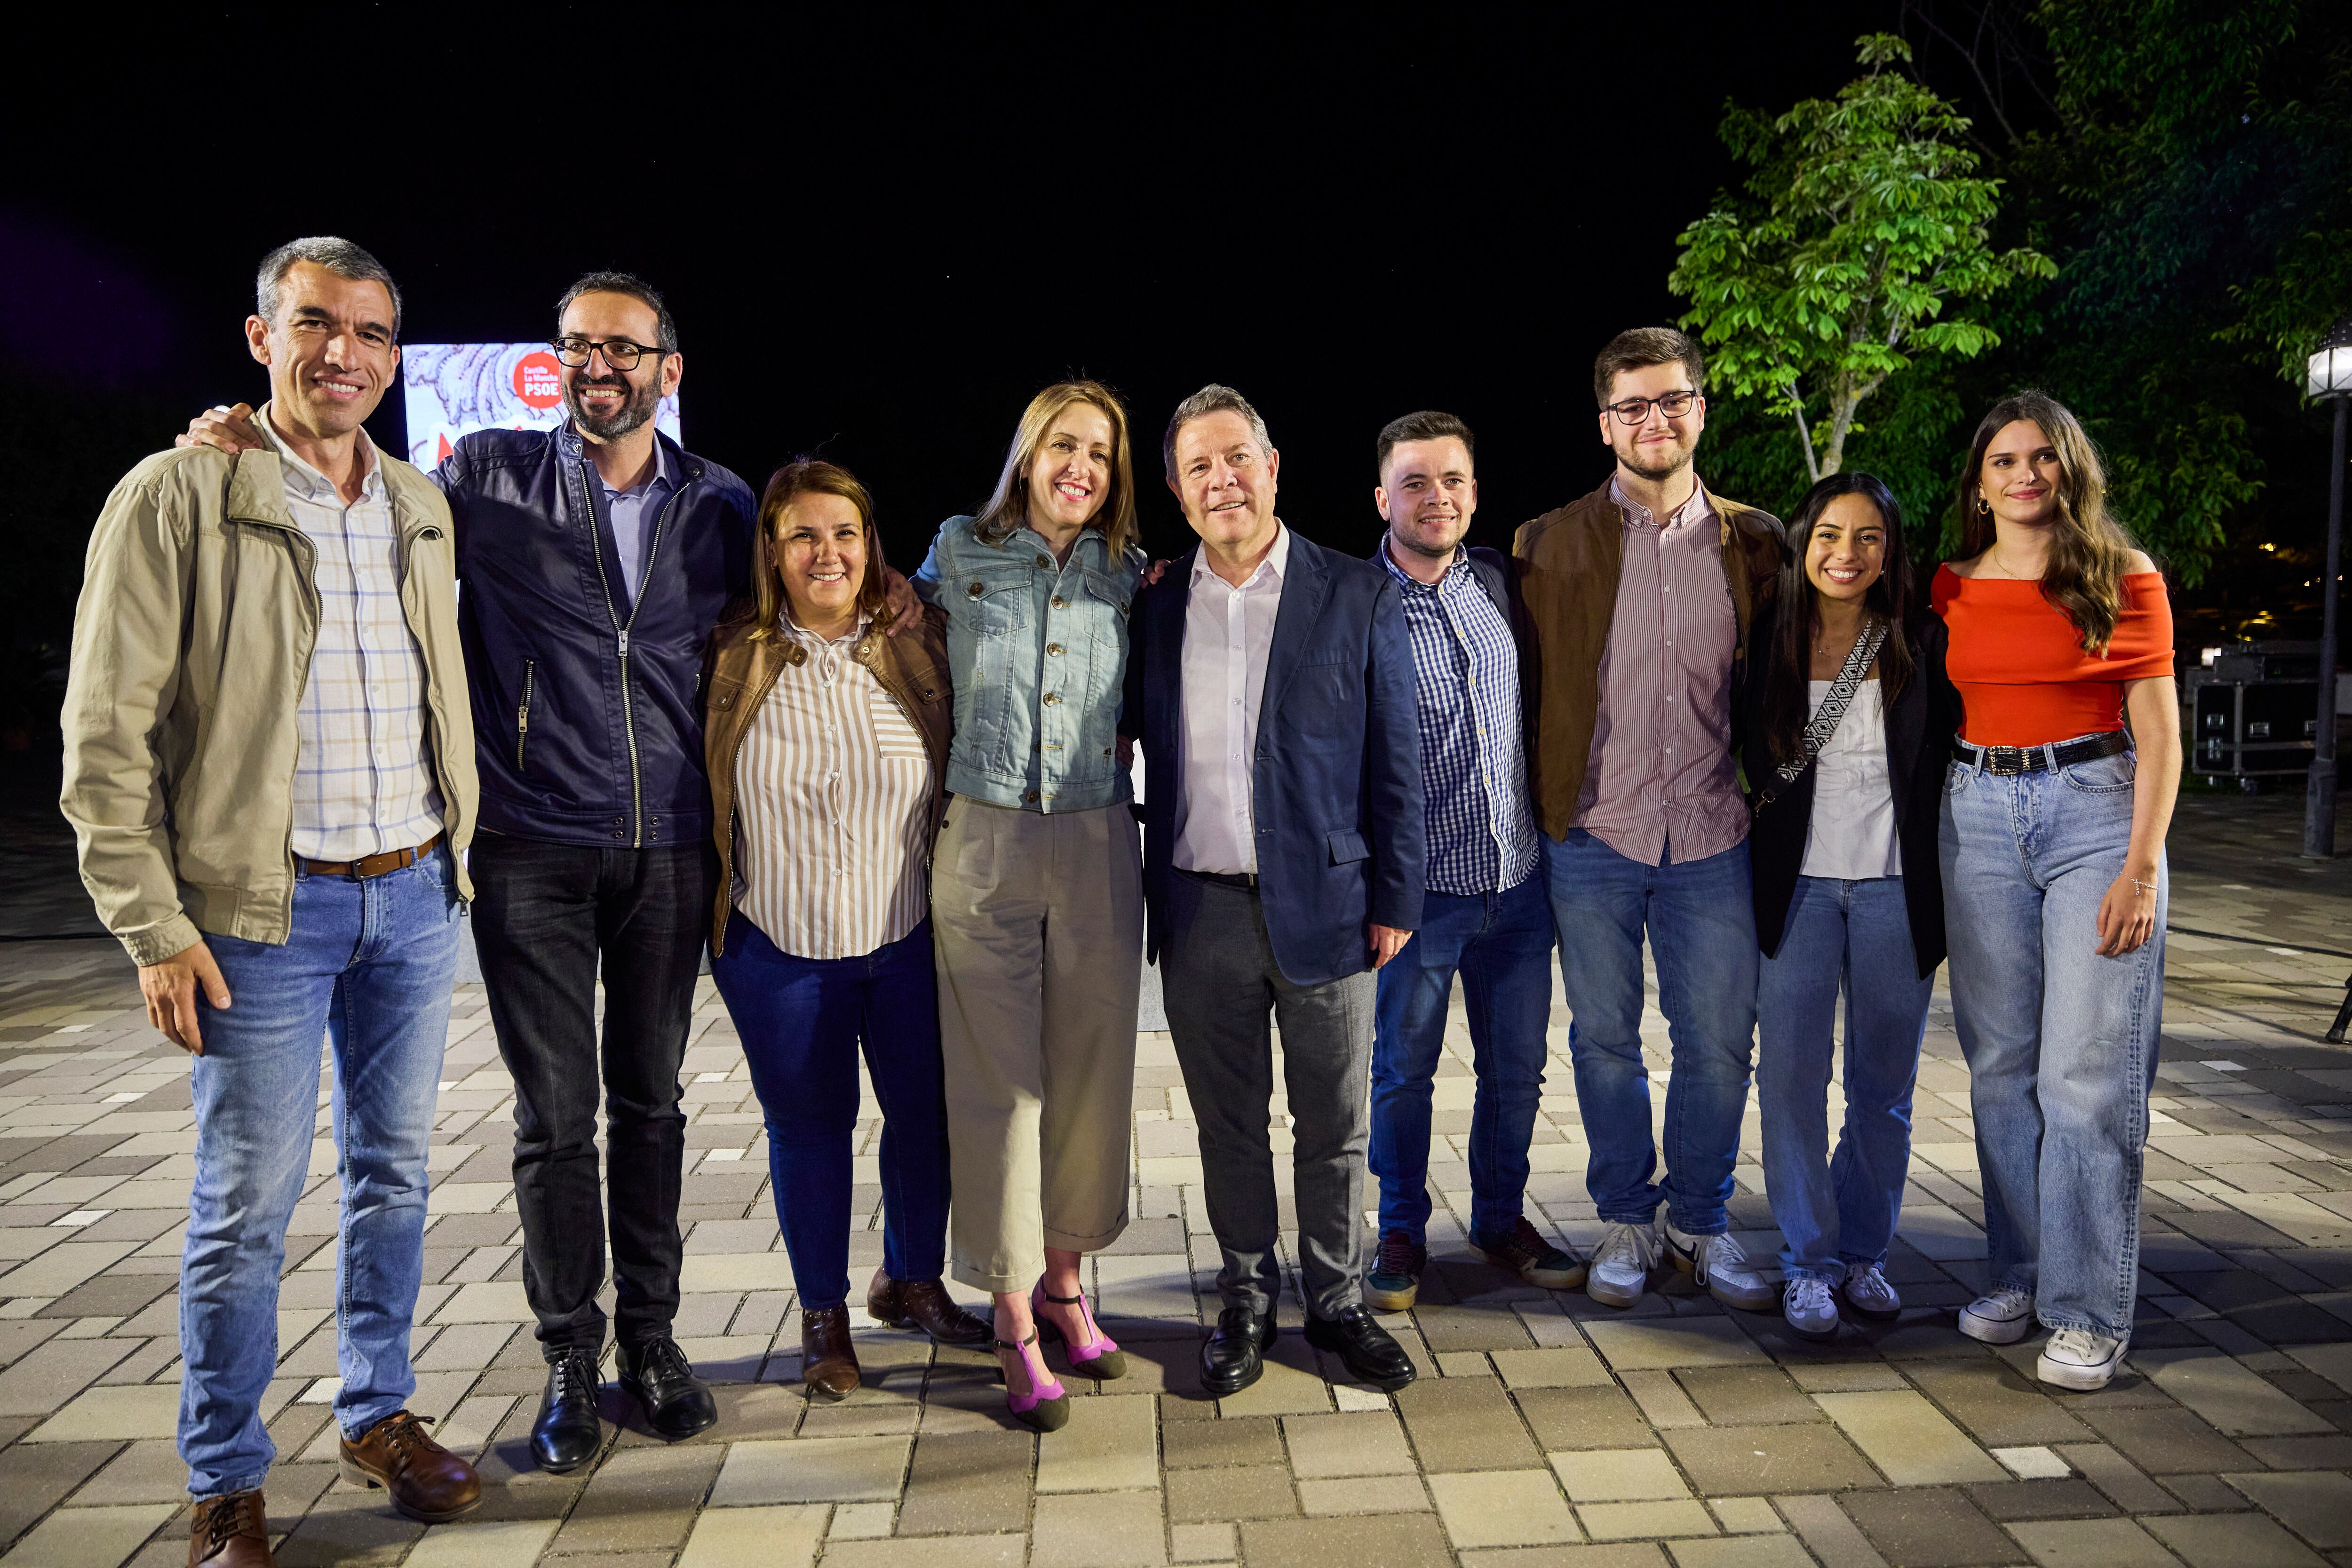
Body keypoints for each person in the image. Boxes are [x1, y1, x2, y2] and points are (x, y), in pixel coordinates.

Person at [179, 273, 755, 1470]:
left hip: (669, 849)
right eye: (579, 348)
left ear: (670, 369)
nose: (599, 369)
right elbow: (339, 494)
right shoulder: (481, 477)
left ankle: (652, 1341)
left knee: (650, 1106)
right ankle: (566, 1357)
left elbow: (785, 624)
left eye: (625, 351)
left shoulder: (721, 504)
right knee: (555, 1119)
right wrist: (233, 441)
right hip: (531, 848)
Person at [66, 238, 482, 1567]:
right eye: (314, 325)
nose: (341, 353)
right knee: (246, 1202)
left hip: (411, 893)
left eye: (366, 332)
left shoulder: (419, 499)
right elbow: (105, 733)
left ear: (396, 356)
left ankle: (376, 1411)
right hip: (259, 915)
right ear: (262, 339)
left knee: (397, 1175)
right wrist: (152, 920)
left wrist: (455, 855)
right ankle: (226, 1476)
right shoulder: (179, 495)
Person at [1127, 384, 1426, 1398]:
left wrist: (1398, 893)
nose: (1222, 479)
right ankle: (1248, 1293)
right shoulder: (1156, 600)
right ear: (1177, 489)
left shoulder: (1354, 591)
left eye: (1236, 457)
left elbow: (1398, 757)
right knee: (1228, 1123)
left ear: (1273, 464)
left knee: (1336, 1124)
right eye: (1199, 466)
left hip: (1333, 908)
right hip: (1198, 905)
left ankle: (1337, 1300)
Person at [1513, 327, 1786, 1313]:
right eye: (1632, 405)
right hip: (1591, 832)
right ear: (1604, 425)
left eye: (1672, 399)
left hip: (1714, 830)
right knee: (1603, 1040)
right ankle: (1626, 1217)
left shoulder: (1755, 541)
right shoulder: (1543, 544)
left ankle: (1699, 1223)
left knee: (1718, 1041)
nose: (1654, 420)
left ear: (1700, 409)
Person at [703, 460, 986, 1403]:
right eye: (803, 536)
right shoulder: (731, 651)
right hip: (774, 944)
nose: (827, 553)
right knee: (810, 1129)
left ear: (872, 547)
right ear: (772, 552)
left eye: (845, 534)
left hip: (905, 936)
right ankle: (822, 1316)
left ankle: (912, 1278)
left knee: (923, 1117)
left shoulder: (918, 643)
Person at [909, 382, 1147, 1432]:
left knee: (1093, 1074)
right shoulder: (959, 552)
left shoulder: (1130, 573)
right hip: (985, 840)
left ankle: (1064, 1280)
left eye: (1099, 452)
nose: (1081, 467)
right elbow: (893, 655)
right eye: (1064, 444)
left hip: (1098, 837)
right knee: (1000, 1086)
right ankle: (1009, 1311)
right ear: (1028, 451)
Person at [1937, 390, 2178, 1391]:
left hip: (2094, 809)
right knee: (2000, 1064)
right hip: (1977, 811)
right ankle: (2022, 1274)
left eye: (2041, 458)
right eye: (2004, 460)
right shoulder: (1947, 584)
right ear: (1980, 479)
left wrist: (2140, 866)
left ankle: (2087, 1311)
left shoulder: (2122, 577)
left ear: (2070, 469)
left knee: (2084, 1077)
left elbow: (2161, 732)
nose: (2023, 474)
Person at [1360, 411, 1576, 1313]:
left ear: (1474, 492)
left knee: (1517, 1067)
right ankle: (1401, 1227)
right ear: (1383, 498)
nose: (1436, 496)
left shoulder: (1495, 580)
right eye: (1415, 481)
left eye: (1452, 479)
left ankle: (1498, 1216)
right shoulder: (1355, 604)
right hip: (1419, 898)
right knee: (1404, 1069)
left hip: (1518, 883)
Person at [1740, 472, 1954, 1341]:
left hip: (1898, 890)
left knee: (1883, 1090)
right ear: (1803, 541)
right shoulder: (1766, 640)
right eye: (1830, 534)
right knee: (1790, 1080)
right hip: (1797, 889)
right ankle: (1808, 1261)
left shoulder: (1923, 640)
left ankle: (1864, 1252)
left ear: (1891, 552)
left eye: (1870, 538)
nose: (1848, 554)